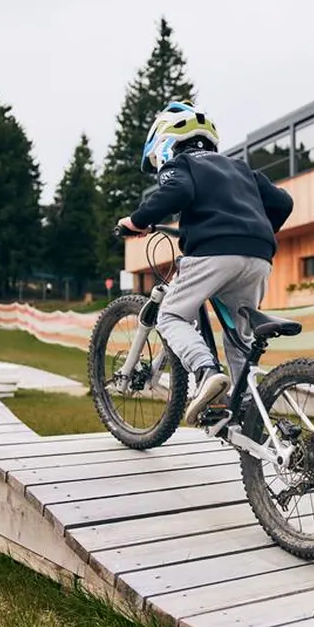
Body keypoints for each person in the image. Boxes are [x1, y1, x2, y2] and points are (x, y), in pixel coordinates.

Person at [118, 100, 294, 425]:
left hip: (213, 252)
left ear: (165, 144)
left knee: (170, 316)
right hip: (258, 255)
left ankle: (205, 370)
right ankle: (248, 415)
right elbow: (283, 201)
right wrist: (255, 230)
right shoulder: (240, 168)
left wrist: (138, 220)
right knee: (241, 338)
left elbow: (177, 191)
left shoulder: (182, 164)